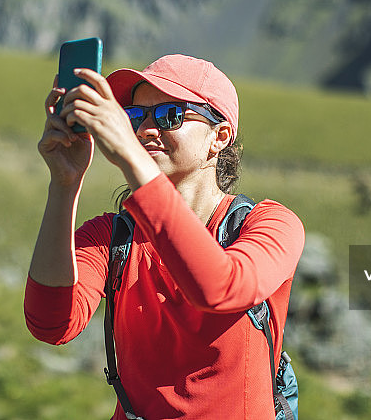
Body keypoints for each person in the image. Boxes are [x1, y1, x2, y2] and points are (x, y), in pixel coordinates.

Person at [24, 53, 305, 419]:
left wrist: (128, 155)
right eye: (135, 117)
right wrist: (64, 184)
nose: (145, 131)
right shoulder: (111, 236)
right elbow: (52, 324)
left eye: (170, 115)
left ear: (218, 138)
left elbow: (220, 287)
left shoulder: (268, 224)